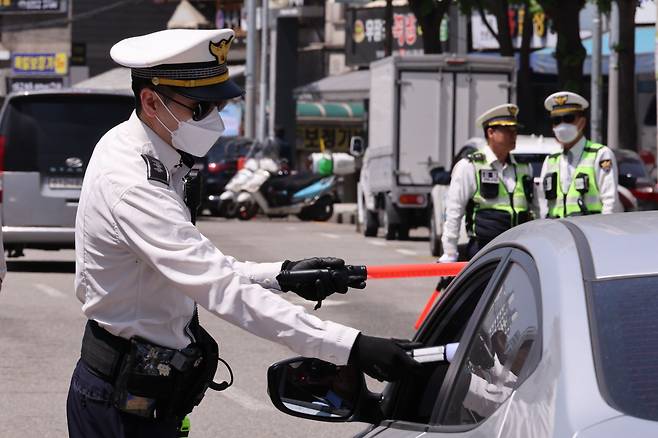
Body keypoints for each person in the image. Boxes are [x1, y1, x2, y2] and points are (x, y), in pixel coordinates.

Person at [66, 28, 420, 438]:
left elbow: (197, 264)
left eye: (218, 104)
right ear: (151, 100)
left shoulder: (155, 154)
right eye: (201, 108)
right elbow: (218, 286)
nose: (214, 118)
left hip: (147, 390)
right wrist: (352, 347)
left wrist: (283, 275)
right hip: (119, 407)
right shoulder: (133, 182)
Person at [438, 104, 534, 262]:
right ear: (490, 132)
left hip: (519, 251)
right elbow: (454, 212)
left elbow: (535, 211)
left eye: (515, 130)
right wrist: (449, 253)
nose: (514, 135)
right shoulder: (470, 166)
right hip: (484, 251)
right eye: (508, 130)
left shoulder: (523, 168)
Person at [537, 91, 620, 218]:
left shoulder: (600, 155)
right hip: (557, 233)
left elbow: (610, 203)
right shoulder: (551, 160)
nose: (562, 125)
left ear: (582, 122)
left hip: (591, 233)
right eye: (556, 120)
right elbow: (542, 204)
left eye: (568, 118)